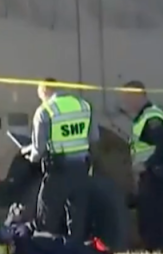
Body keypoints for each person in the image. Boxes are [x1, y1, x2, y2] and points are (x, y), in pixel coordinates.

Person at [26, 78, 97, 241]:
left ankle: (45, 248)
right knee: (78, 216)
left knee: (47, 215)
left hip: (58, 170)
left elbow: (39, 150)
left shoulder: (45, 110)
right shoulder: (84, 106)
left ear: (44, 92)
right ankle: (76, 248)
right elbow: (94, 137)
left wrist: (31, 156)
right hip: (81, 168)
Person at [120, 81, 163, 252]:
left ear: (138, 95)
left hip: (157, 176)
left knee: (153, 222)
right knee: (150, 222)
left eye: (128, 98)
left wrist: (145, 165)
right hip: (153, 176)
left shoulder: (151, 118)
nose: (126, 103)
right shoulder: (143, 117)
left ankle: (162, 250)